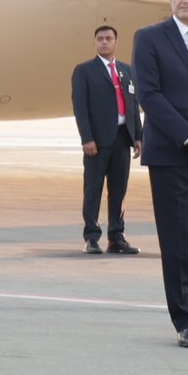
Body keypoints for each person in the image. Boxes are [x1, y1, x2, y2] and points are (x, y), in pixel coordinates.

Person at [131, 0, 188, 346]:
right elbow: (149, 94)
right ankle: (185, 319)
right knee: (178, 238)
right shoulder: (150, 38)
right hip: (171, 153)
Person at [72, 25, 143, 254]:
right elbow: (80, 109)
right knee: (93, 189)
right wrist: (87, 138)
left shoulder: (127, 70)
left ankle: (116, 236)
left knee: (119, 190)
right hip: (97, 142)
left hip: (122, 139)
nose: (104, 42)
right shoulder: (84, 71)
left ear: (116, 43)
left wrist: (138, 136)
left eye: (108, 39)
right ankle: (92, 237)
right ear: (95, 43)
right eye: (100, 39)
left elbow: (133, 106)